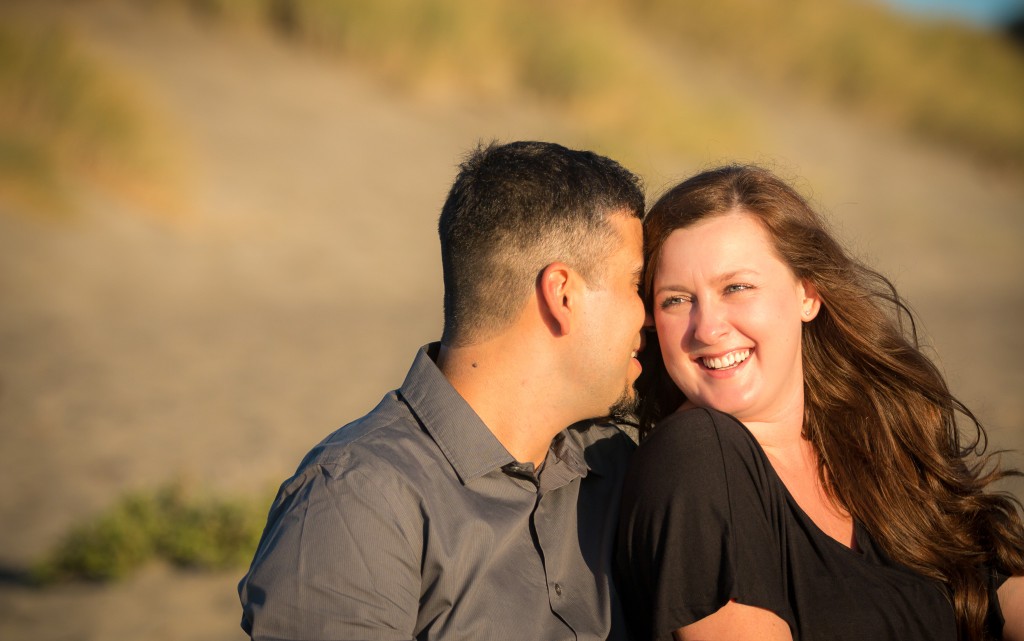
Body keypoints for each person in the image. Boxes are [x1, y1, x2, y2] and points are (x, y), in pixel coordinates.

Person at [238, 140, 647, 641]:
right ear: (562, 294)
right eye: (635, 283)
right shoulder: (356, 502)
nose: (648, 313)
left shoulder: (614, 465)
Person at [615, 164, 1024, 641]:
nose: (707, 328)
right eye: (676, 300)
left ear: (807, 293)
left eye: (736, 288)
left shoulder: (874, 433)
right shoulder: (694, 457)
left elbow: (991, 587)